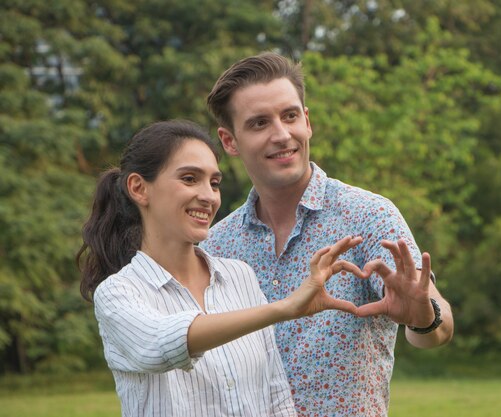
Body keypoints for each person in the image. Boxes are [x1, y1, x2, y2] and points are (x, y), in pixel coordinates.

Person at [201, 52, 455, 416]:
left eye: (290, 116)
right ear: (229, 141)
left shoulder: (368, 214)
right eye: (259, 123)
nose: (281, 134)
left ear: (307, 121)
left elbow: (437, 326)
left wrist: (424, 317)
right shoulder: (216, 245)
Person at [76, 119, 367, 417]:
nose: (208, 196)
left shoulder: (240, 277)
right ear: (139, 188)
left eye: (214, 183)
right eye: (190, 179)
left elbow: (277, 396)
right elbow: (163, 342)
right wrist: (285, 308)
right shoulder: (118, 293)